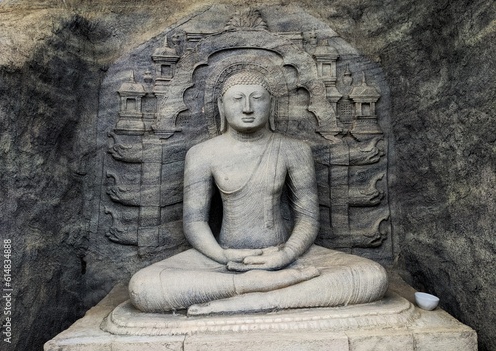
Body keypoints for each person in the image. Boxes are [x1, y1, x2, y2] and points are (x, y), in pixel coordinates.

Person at [129, 71, 388, 315]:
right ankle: (253, 286)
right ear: (221, 105)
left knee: (371, 276)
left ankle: (256, 297)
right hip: (222, 258)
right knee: (143, 287)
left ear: (271, 104)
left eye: (257, 98)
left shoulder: (293, 150)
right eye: (237, 99)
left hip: (284, 256)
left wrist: (285, 255)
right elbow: (195, 222)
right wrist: (223, 256)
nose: (248, 107)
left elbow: (308, 218)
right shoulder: (202, 154)